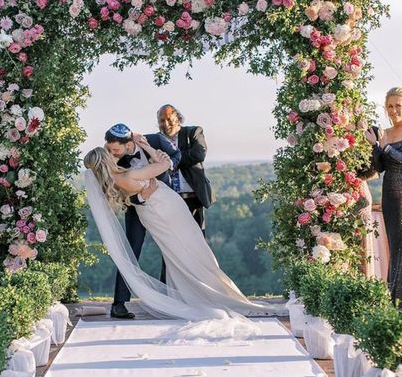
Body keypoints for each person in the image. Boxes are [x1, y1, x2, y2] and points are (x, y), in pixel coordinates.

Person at [84, 140, 279, 321]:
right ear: (105, 161)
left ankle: (197, 292)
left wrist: (141, 196)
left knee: (179, 253)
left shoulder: (114, 181)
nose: (112, 154)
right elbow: (164, 164)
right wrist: (147, 146)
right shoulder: (127, 175)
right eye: (107, 153)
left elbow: (132, 198)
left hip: (155, 213)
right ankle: (213, 293)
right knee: (194, 249)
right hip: (166, 211)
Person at [104, 123, 181, 319]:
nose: (112, 153)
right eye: (110, 149)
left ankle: (171, 299)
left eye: (116, 149)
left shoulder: (153, 140)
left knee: (171, 248)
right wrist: (140, 198)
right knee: (131, 251)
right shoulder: (113, 160)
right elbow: (119, 191)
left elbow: (176, 155)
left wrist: (165, 166)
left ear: (129, 144)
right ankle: (119, 303)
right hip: (136, 207)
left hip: (163, 204)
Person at [156, 105, 215, 282]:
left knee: (198, 248)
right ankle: (169, 290)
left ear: (177, 117)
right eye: (161, 120)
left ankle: (203, 287)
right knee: (170, 247)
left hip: (193, 199)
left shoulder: (193, 132)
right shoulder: (156, 141)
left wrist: (171, 161)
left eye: (168, 119)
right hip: (170, 200)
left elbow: (199, 154)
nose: (165, 123)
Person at [365, 86, 402, 308]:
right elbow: (380, 167)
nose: (393, 110)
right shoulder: (386, 133)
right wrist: (375, 145)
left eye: (398, 105)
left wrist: (387, 148)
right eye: (390, 106)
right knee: (396, 245)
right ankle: (395, 299)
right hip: (390, 193)